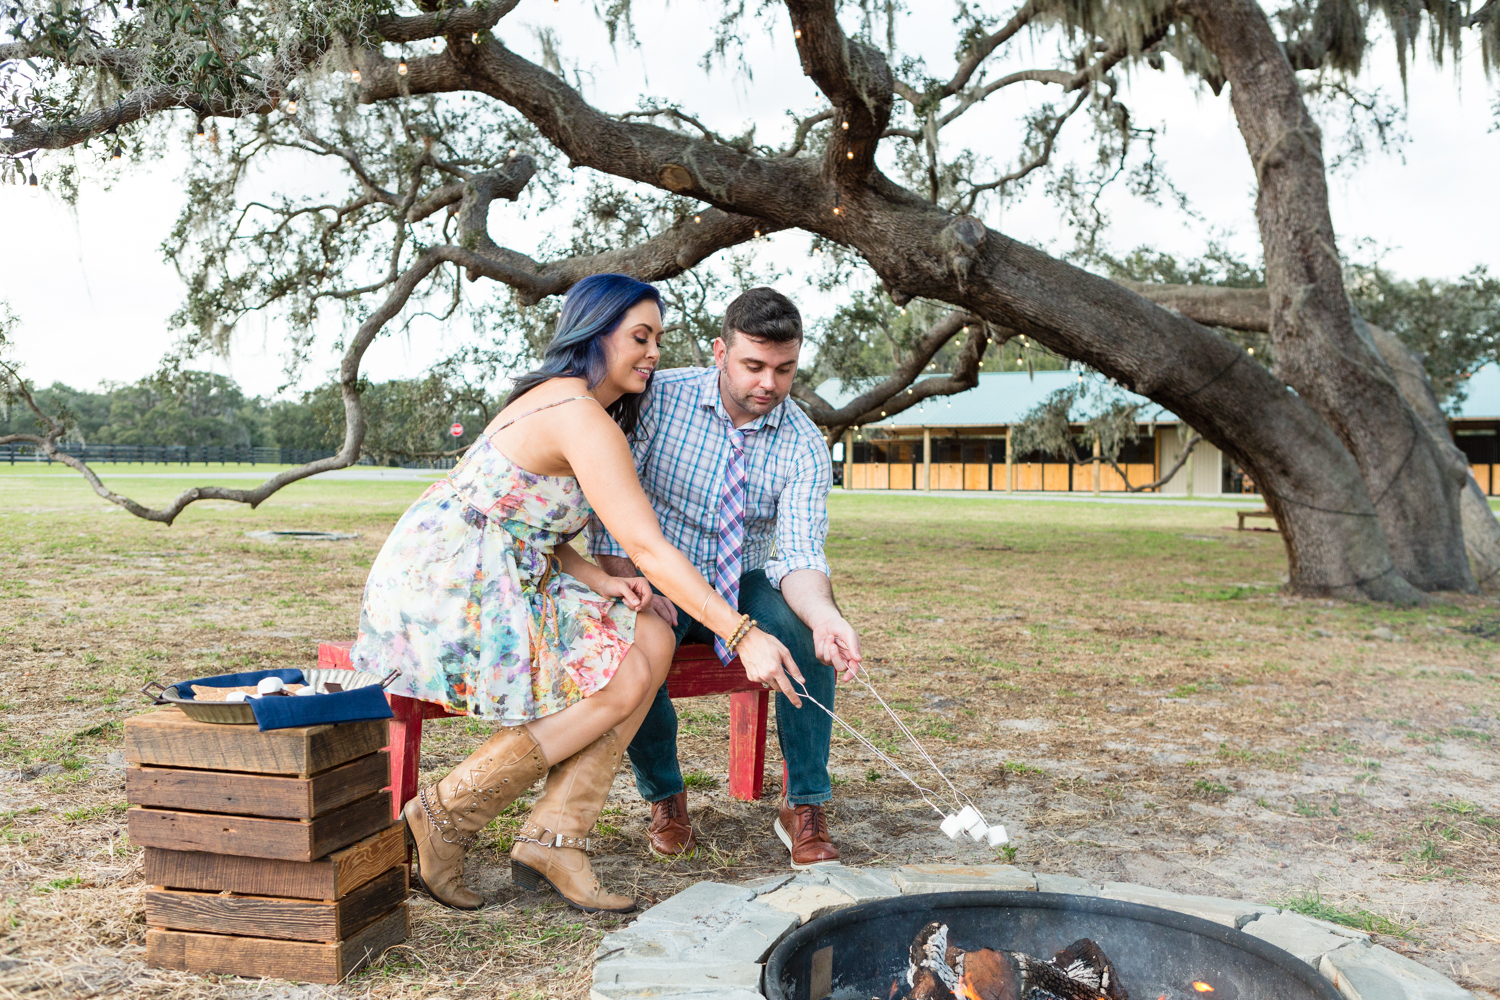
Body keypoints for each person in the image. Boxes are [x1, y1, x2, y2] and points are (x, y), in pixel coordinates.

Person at [351, 275, 805, 913]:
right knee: (622, 675)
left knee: (649, 629)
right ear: (593, 335)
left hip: (501, 570)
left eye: (657, 339)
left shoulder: (570, 404)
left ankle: (556, 838)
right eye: (639, 338)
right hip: (450, 587)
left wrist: (601, 579)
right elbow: (648, 547)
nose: (652, 353)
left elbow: (527, 519)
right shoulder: (580, 416)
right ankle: (445, 811)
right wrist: (738, 630)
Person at [590, 286, 864, 869]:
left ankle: (804, 806)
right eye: (754, 365)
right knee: (637, 647)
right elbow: (611, 509)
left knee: (801, 629)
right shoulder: (658, 399)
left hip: (745, 573)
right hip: (656, 570)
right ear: (720, 351)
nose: (769, 383)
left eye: (784, 369)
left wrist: (824, 615)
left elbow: (796, 555)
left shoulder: (806, 446)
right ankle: (666, 797)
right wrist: (628, 581)